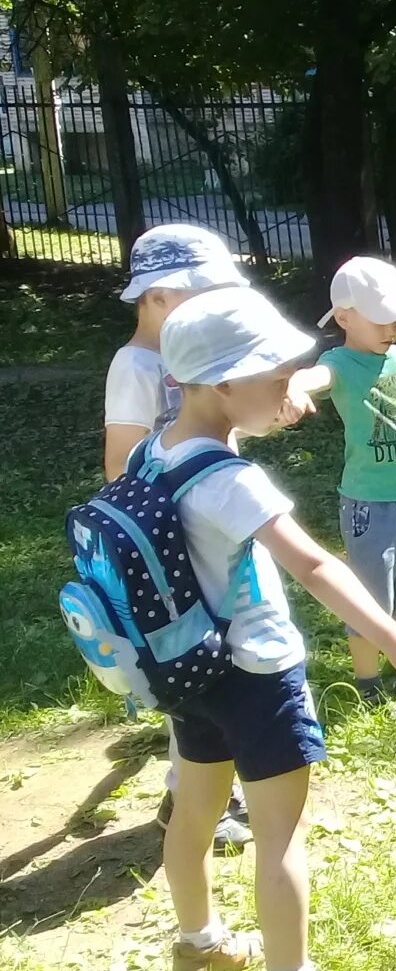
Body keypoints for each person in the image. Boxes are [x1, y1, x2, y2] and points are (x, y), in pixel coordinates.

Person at [154, 287, 396, 971]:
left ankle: (200, 943)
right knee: (279, 832)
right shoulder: (233, 480)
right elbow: (316, 568)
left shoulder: (158, 451)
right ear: (222, 385)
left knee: (194, 811)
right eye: (276, 378)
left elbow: (212, 464)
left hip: (194, 670)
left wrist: (261, 416)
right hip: (258, 674)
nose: (291, 391)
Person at [106, 224, 254, 852]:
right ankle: (189, 794)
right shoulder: (137, 365)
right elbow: (121, 465)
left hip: (218, 532)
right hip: (170, 547)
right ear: (158, 296)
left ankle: (215, 782)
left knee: (227, 650)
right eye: (202, 294)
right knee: (187, 660)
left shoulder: (195, 353)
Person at [290, 257, 396, 706]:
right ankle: (367, 685)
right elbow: (317, 376)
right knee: (370, 593)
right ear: (343, 317)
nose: (391, 326)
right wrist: (297, 387)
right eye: (380, 318)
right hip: (370, 500)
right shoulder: (339, 360)